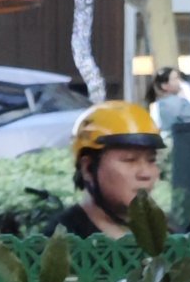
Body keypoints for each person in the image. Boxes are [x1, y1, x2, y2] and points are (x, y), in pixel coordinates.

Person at [56, 102, 165, 239]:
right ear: (88, 168)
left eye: (151, 160)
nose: (145, 174)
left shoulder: (169, 234)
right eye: (129, 160)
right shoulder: (59, 242)